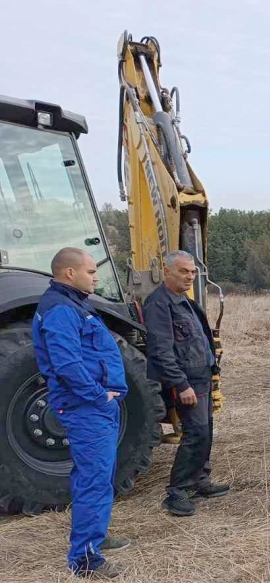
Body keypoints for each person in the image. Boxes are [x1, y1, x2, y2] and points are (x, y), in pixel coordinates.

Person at [31, 248, 130, 579]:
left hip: (96, 408)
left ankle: (95, 536)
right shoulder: (60, 310)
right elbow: (67, 364)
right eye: (90, 271)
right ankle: (86, 558)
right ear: (69, 273)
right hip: (87, 409)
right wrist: (99, 396)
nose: (96, 277)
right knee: (93, 479)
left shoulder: (74, 304)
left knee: (98, 476)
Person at [143, 250, 229, 516]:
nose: (190, 276)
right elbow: (161, 350)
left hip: (202, 378)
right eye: (183, 271)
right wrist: (181, 384)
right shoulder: (159, 304)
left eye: (193, 272)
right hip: (186, 383)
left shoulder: (187, 303)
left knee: (206, 432)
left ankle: (201, 480)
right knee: (196, 434)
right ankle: (177, 492)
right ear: (167, 272)